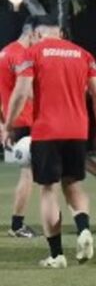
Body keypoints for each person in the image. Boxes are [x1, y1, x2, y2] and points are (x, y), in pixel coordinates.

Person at [2, 15, 96, 268]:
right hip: (77, 131)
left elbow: (21, 91)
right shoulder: (84, 54)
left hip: (46, 130)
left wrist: (7, 125)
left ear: (37, 34)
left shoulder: (33, 53)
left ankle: (56, 255)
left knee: (49, 190)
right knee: (73, 186)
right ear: (60, 33)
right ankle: (83, 229)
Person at [1, 18, 38, 238]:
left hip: (15, 123)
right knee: (29, 174)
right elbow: (29, 92)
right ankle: (17, 225)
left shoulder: (4, 53)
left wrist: (3, 125)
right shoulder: (22, 56)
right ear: (31, 33)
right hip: (27, 122)